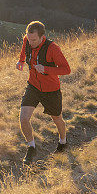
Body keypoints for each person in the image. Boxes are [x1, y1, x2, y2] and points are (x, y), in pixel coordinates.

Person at [16, 20, 71, 165]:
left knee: (57, 119)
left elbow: (66, 69)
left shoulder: (53, 48)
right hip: (33, 86)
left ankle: (63, 142)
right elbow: (24, 50)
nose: (31, 42)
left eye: (34, 40)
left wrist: (46, 69)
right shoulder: (27, 40)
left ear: (42, 37)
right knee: (23, 118)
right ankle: (31, 147)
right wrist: (21, 61)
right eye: (29, 39)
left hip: (51, 90)